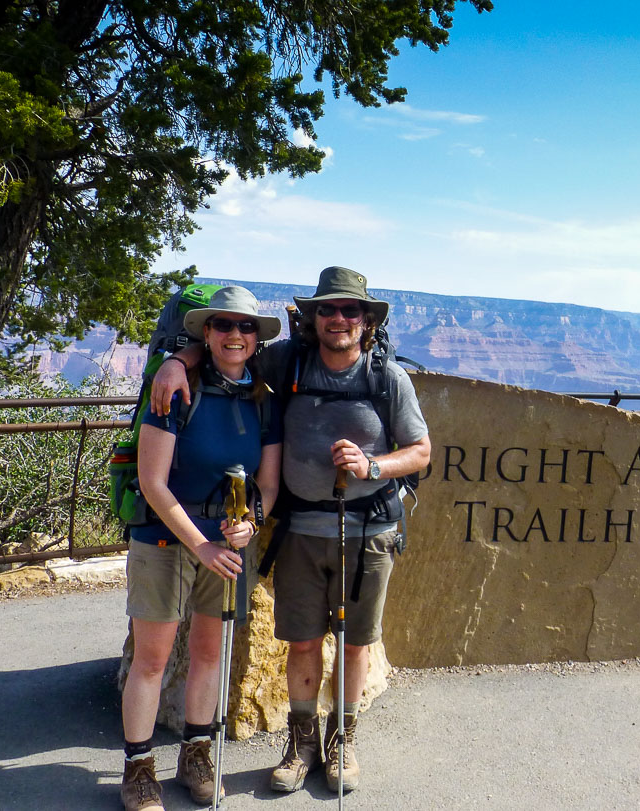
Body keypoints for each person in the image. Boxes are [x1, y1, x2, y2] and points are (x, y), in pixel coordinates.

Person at [152, 266, 431, 794]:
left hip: (367, 531)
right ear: (311, 317)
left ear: (366, 320)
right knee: (301, 642)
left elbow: (421, 451)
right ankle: (300, 744)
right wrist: (176, 360)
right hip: (301, 529)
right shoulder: (290, 360)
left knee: (354, 645)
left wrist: (373, 466)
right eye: (327, 309)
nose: (339, 319)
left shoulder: (387, 378)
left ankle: (341, 742)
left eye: (350, 310)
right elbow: (231, 353)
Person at [120, 286, 283, 811]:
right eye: (224, 326)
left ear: (257, 338)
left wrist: (250, 524)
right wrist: (201, 544)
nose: (236, 335)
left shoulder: (263, 398)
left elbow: (268, 484)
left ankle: (196, 752)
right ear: (206, 333)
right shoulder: (176, 388)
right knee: (152, 659)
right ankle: (139, 770)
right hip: (167, 539)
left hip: (228, 542)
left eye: (246, 327)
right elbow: (153, 482)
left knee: (209, 653)